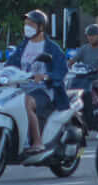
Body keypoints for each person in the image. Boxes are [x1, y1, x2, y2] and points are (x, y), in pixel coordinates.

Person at [10, 9, 66, 153]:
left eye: (31, 24)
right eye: (26, 23)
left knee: (26, 103)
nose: (27, 27)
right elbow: (10, 65)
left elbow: (61, 70)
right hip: (21, 88)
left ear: (41, 27)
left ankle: (37, 142)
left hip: (44, 90)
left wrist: (45, 76)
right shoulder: (22, 46)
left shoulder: (52, 48)